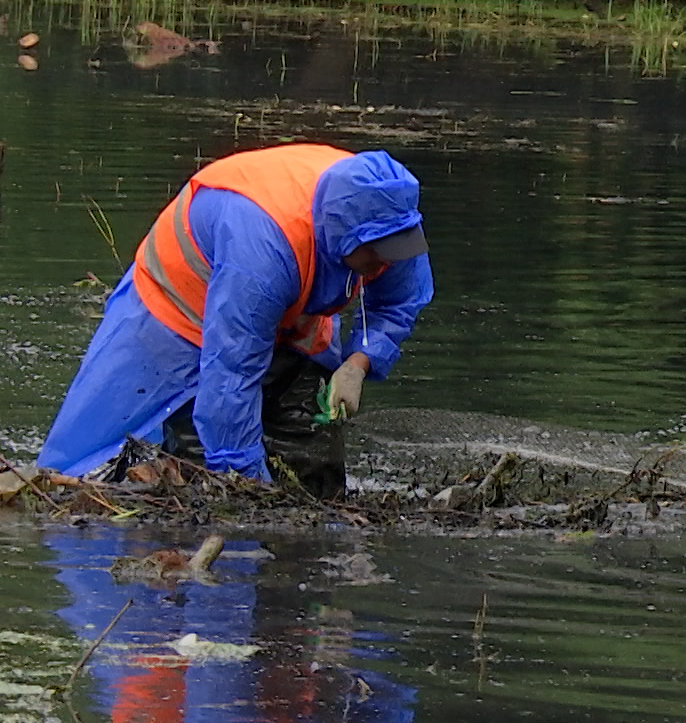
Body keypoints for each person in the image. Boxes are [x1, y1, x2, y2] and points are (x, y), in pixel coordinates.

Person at [38, 143, 434, 494]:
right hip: (183, 307)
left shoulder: (390, 222)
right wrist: (251, 491)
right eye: (375, 254)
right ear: (344, 236)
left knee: (313, 454)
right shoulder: (263, 250)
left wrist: (357, 363)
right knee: (197, 457)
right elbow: (232, 375)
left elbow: (399, 302)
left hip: (295, 310)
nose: (385, 261)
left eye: (393, 250)